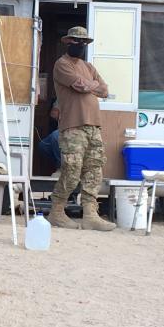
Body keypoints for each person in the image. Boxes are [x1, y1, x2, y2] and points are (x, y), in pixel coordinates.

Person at [49, 26, 116, 231]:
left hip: (93, 125)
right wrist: (92, 85)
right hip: (73, 126)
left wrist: (92, 85)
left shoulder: (88, 66)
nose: (81, 45)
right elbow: (80, 86)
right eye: (77, 42)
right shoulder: (62, 64)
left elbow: (105, 90)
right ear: (68, 42)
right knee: (72, 169)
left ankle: (90, 215)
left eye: (84, 42)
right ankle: (57, 212)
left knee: (94, 170)